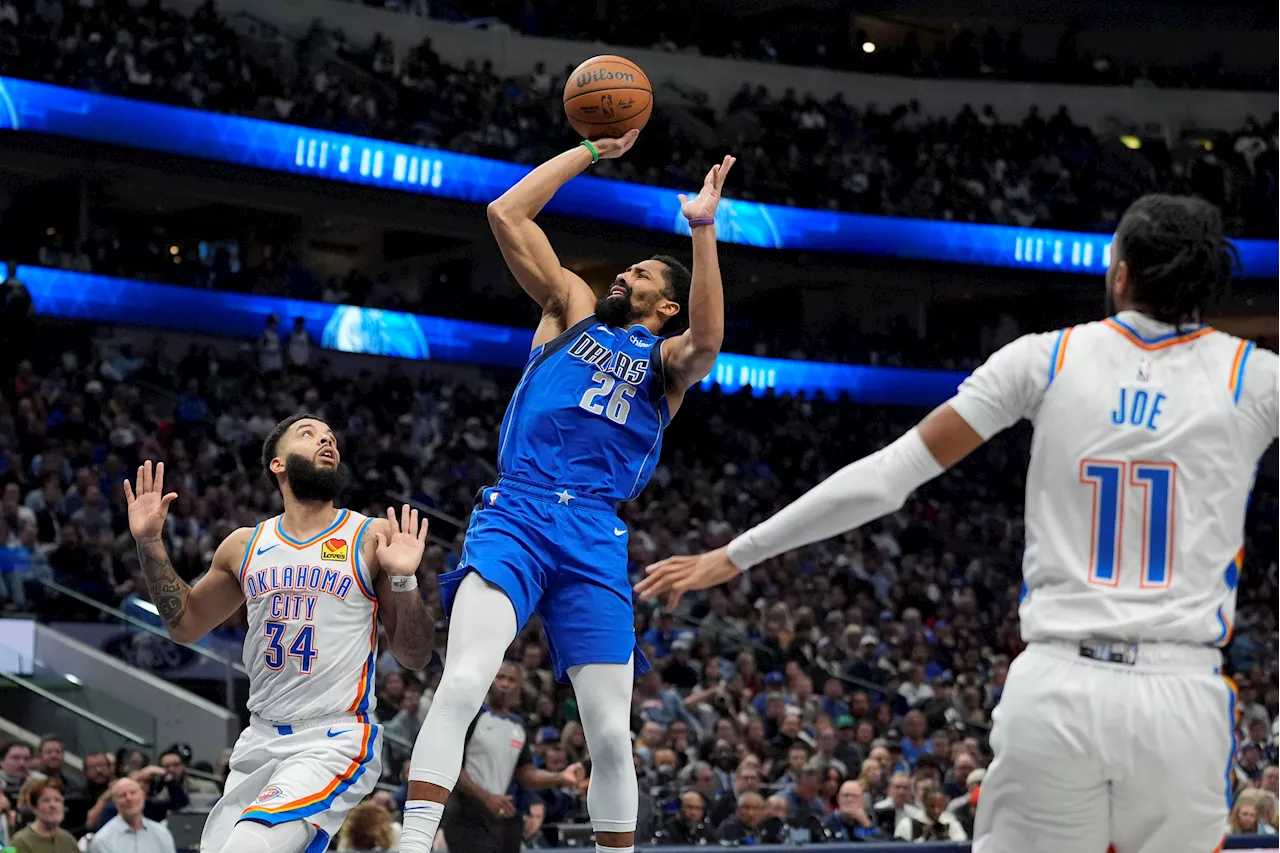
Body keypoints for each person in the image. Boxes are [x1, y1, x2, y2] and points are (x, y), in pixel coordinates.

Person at [638, 193, 1252, 853]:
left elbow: (885, 477)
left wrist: (734, 554)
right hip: (1183, 688)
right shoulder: (1255, 376)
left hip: (1061, 682)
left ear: (1120, 274)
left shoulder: (1046, 357)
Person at [400, 129, 735, 853]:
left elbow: (708, 341)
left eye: (641, 275)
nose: (625, 276)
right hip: (516, 509)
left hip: (593, 532)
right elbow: (506, 214)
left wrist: (701, 229)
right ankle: (411, 841)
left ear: (665, 305)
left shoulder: (667, 362)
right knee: (462, 680)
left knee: (612, 732)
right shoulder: (571, 307)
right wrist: (590, 151)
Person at [123, 413, 435, 853]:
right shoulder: (244, 544)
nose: (327, 441)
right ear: (277, 464)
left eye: (331, 437)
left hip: (334, 737)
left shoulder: (370, 536)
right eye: (308, 435)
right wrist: (150, 542)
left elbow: (415, 655)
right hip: (259, 740)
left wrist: (405, 581)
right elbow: (185, 624)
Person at [439, 662, 585, 853]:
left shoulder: (518, 726)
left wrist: (560, 777)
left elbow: (526, 773)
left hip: (502, 815)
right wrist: (486, 797)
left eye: (511, 680)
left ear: (519, 686)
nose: (505, 684)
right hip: (465, 815)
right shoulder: (471, 715)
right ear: (490, 680)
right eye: (500, 678)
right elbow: (450, 765)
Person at [87, 778, 176, 853]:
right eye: (122, 795)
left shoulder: (162, 833)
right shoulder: (102, 840)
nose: (129, 798)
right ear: (114, 802)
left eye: (133, 792)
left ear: (143, 796)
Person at [10, 777, 77, 853]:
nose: (53, 805)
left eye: (57, 800)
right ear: (34, 807)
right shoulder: (20, 841)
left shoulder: (68, 840)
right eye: (46, 800)